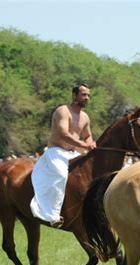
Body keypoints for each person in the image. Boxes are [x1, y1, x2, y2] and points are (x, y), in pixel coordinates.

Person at [30, 84, 96, 228]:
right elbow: (63, 134)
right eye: (84, 95)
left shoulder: (85, 117)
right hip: (56, 151)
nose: (87, 98)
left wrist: (90, 143)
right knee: (61, 175)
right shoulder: (63, 111)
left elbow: (88, 136)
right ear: (74, 96)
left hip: (73, 153)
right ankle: (53, 215)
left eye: (88, 95)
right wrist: (85, 145)